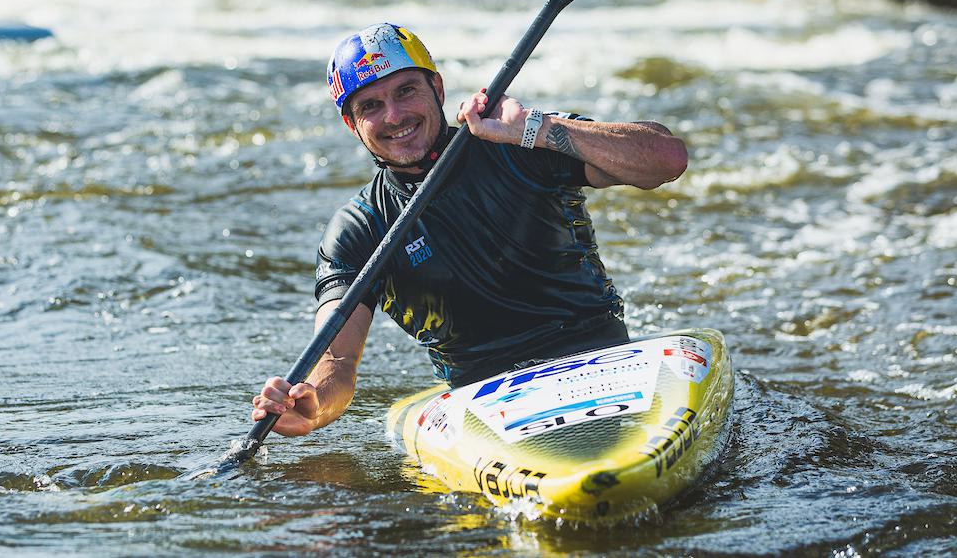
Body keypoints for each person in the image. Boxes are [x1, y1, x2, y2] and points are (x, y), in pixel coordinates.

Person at [252, 22, 688, 436]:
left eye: (406, 91)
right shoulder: (359, 229)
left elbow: (667, 160)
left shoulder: (518, 143)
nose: (394, 115)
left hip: (602, 361)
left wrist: (537, 129)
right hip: (483, 395)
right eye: (371, 106)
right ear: (352, 124)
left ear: (437, 89)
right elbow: (337, 360)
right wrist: (312, 404)